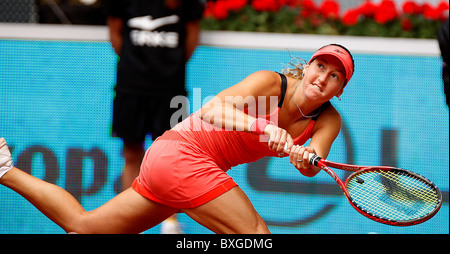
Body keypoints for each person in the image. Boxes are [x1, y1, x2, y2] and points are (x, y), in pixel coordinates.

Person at [0, 44, 354, 234]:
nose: (323, 77)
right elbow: (212, 111)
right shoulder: (270, 84)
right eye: (320, 66)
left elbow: (312, 162)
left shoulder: (328, 120)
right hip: (184, 154)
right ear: (306, 66)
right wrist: (265, 128)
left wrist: (304, 159)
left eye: (335, 75)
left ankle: (4, 169)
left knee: (85, 226)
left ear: (339, 90)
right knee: (255, 236)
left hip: (175, 167)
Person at [106, 0, 204, 233]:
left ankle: (169, 222)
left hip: (171, 91)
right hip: (130, 88)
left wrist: (167, 69)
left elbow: (191, 40)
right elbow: (115, 35)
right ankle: (127, 221)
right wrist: (137, 67)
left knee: (171, 157)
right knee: (131, 153)